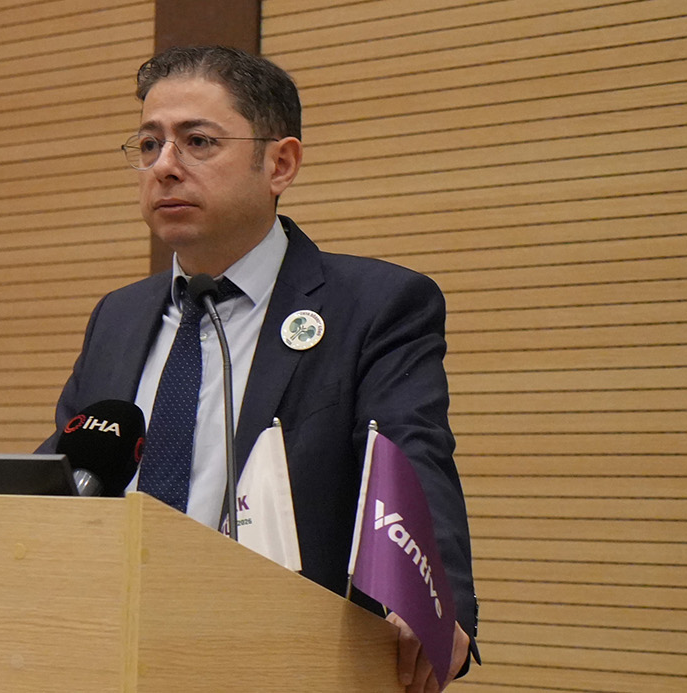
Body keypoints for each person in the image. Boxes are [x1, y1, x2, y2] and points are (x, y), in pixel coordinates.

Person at [38, 45, 478, 689]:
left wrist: (434, 597)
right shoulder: (119, 316)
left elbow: (412, 455)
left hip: (280, 660)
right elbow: (66, 476)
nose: (165, 166)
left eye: (198, 142)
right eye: (150, 144)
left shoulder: (375, 306)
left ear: (280, 163)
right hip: (108, 653)